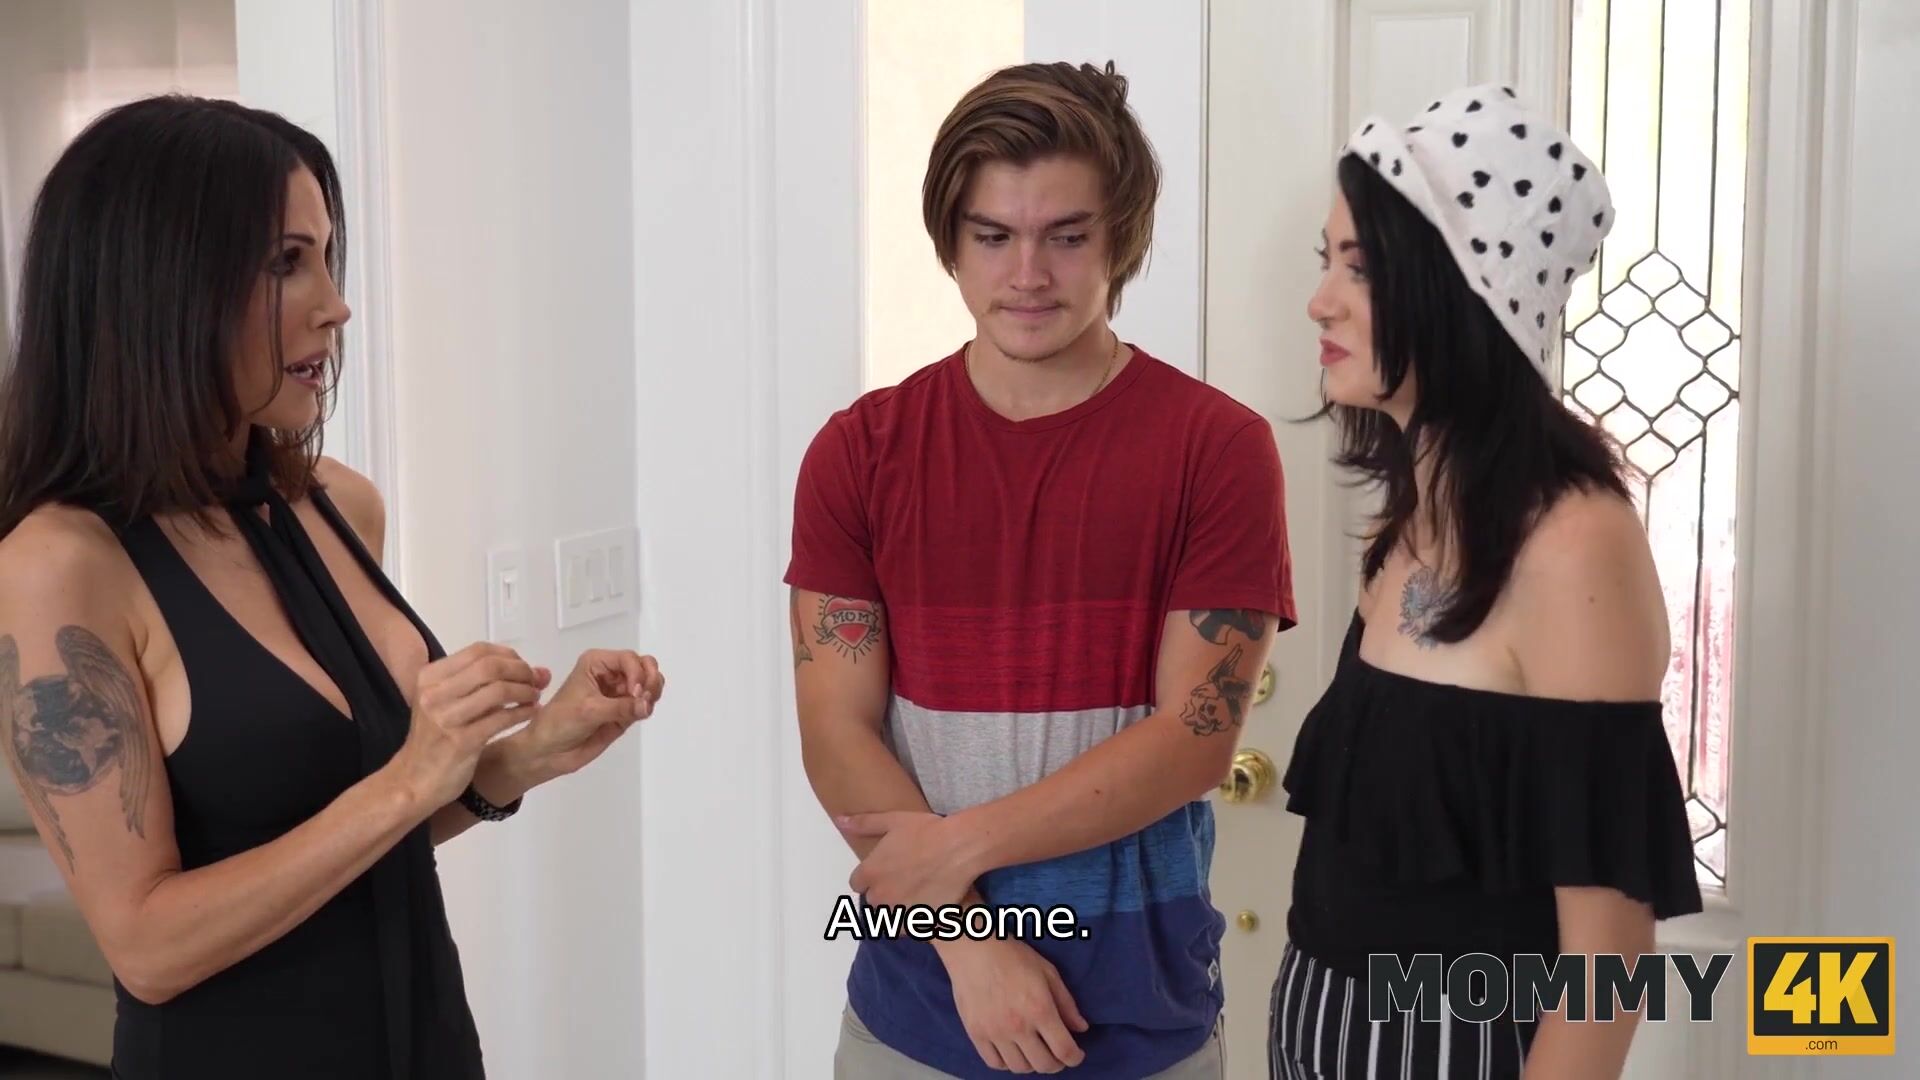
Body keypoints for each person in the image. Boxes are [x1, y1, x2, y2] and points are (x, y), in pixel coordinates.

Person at [0, 95, 665, 1079]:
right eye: (286, 262)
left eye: (323, 257)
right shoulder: (59, 566)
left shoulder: (332, 504)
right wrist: (409, 778)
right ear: (160, 288)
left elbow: (362, 836)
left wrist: (519, 760)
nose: (335, 304)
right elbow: (147, 947)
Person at [786, 61, 1296, 1079]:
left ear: (1120, 242)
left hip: (1143, 1022)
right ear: (951, 243)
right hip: (914, 1017)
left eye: (1067, 237)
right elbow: (838, 732)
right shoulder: (860, 452)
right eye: (993, 236)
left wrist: (957, 847)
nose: (1027, 274)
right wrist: (971, 942)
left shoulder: (1216, 448)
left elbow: (1193, 741)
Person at [1269, 85, 1704, 1077]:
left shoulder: (1574, 543)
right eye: (1326, 261)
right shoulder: (1414, 515)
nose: (1320, 300)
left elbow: (1609, 953)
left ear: (1462, 292)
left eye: (1360, 269)